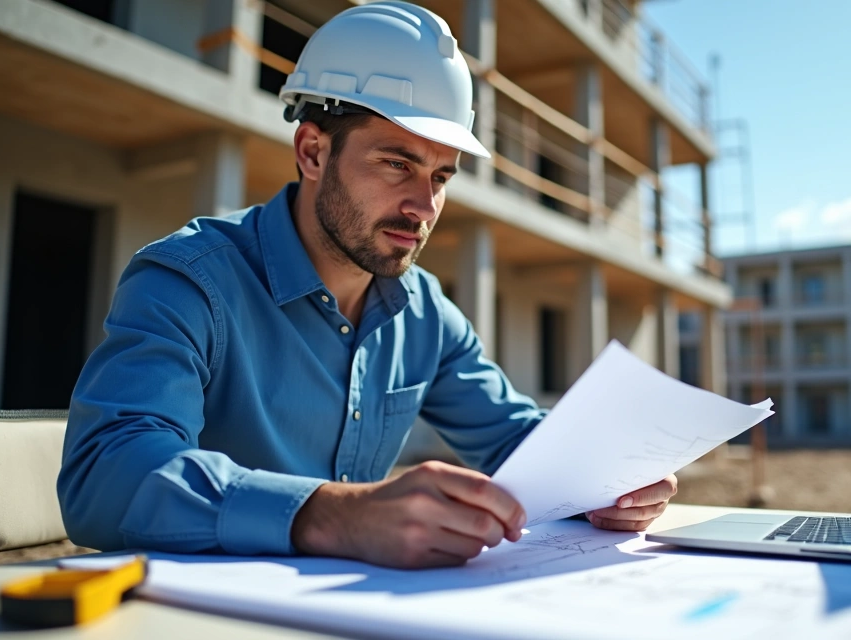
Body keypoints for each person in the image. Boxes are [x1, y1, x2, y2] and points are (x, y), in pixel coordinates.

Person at [57, 1, 676, 569]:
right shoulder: (189, 281)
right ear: (312, 152)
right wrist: (337, 514)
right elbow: (104, 475)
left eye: (439, 177)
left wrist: (605, 479)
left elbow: (515, 439)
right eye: (396, 163)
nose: (422, 207)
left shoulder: (425, 311)